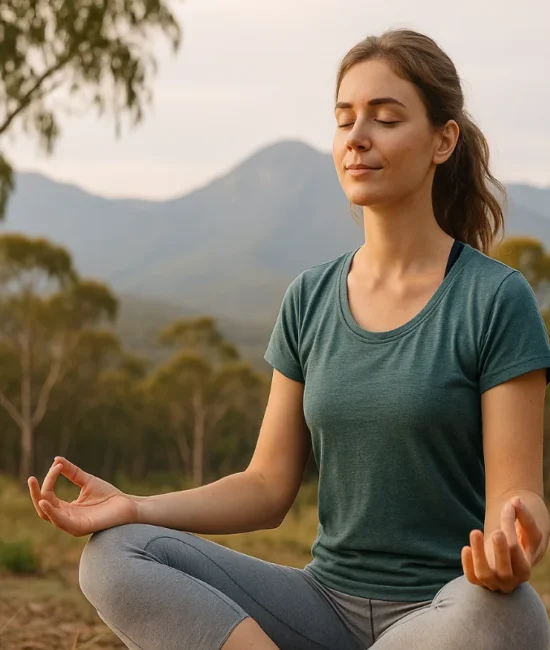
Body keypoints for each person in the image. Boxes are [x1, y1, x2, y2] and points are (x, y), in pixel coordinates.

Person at [27, 28, 550, 650]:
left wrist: (514, 543)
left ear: (444, 139)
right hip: (321, 606)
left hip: (444, 612)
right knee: (115, 554)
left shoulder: (495, 298)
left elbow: (517, 497)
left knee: (510, 613)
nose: (356, 138)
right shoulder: (309, 297)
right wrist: (135, 506)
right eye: (344, 119)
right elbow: (267, 487)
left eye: (384, 119)